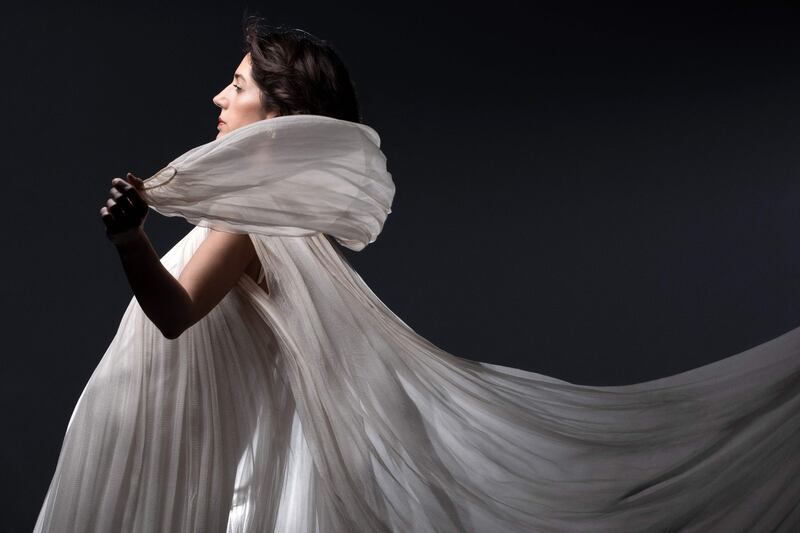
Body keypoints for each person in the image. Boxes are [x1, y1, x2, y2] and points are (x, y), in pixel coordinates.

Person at [35, 15, 800, 533]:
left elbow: (173, 314)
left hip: (161, 450)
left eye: (237, 85)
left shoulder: (254, 222)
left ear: (281, 113)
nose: (218, 96)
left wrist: (132, 239)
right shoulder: (271, 221)